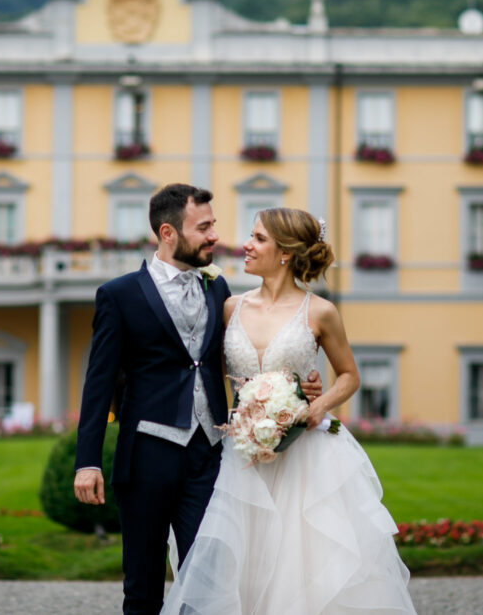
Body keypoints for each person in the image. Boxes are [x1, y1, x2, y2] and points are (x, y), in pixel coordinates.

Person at [73, 185, 320, 614]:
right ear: (168, 233)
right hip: (145, 456)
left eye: (213, 225)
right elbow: (98, 384)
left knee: (207, 584)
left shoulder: (217, 288)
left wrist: (299, 389)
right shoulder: (119, 295)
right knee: (143, 587)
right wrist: (87, 460)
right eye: (203, 227)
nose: (214, 237)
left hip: (209, 458)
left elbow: (245, 357)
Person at [163, 207, 416, 614]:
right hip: (243, 458)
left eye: (258, 238)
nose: (246, 245)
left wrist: (317, 405)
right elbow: (213, 374)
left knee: (302, 565)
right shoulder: (231, 308)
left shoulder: (320, 312)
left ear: (284, 253)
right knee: (241, 565)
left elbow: (349, 376)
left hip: (306, 458)